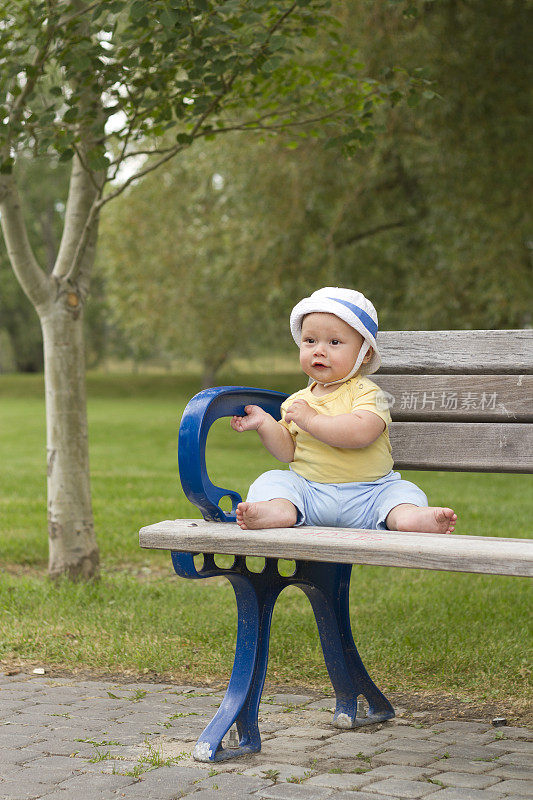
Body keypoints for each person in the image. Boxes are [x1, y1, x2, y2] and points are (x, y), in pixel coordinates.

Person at [230, 286, 457, 534]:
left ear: (365, 353)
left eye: (334, 342)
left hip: (371, 495)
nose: (319, 350)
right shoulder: (297, 401)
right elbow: (287, 452)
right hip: (310, 494)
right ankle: (280, 510)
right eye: (310, 340)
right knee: (274, 480)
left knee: (402, 493)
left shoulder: (370, 393)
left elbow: (361, 432)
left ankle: (408, 518)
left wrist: (312, 420)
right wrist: (265, 424)